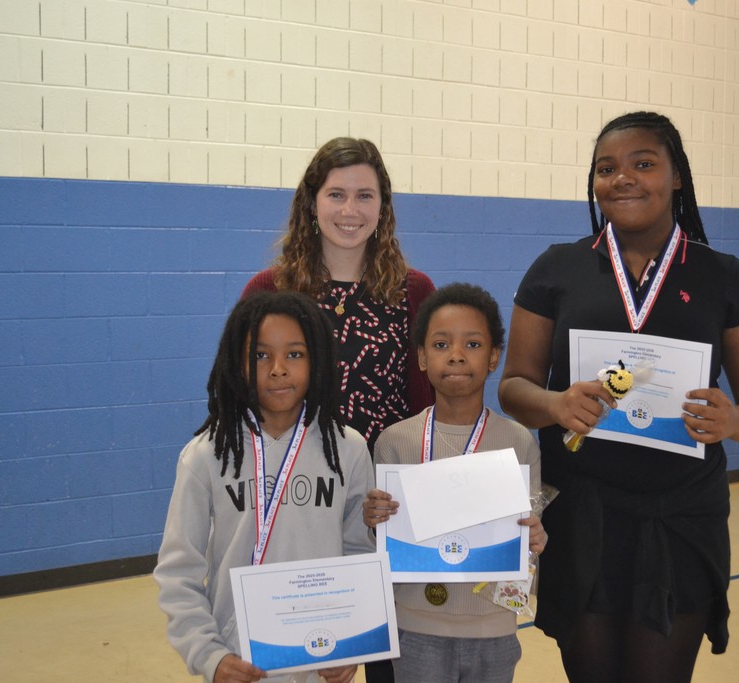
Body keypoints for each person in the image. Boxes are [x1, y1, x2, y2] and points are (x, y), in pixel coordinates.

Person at [498, 111, 739, 683]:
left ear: (676, 176)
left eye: (643, 164)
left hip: (680, 519)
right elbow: (513, 388)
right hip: (580, 516)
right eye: (607, 169)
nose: (623, 178)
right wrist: (554, 405)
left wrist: (734, 420)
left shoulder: (723, 276)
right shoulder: (556, 269)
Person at [154, 291, 374, 683]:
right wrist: (209, 655)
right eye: (260, 355)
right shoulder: (206, 455)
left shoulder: (348, 449)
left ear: (317, 360)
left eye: (295, 354)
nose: (277, 369)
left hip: (320, 659)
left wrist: (349, 642)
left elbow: (358, 554)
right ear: (237, 364)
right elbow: (178, 570)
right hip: (238, 660)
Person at [363, 282, 547, 683]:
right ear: (422, 358)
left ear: (494, 357)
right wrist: (372, 520)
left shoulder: (518, 442)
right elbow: (380, 546)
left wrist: (535, 540)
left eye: (474, 344)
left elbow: (528, 545)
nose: (458, 355)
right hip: (415, 629)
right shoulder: (395, 442)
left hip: (494, 629)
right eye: (442, 344)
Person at [243, 136, 435, 450]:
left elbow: (429, 403)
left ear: (382, 207)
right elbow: (241, 391)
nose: (350, 210)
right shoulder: (268, 291)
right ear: (312, 204)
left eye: (364, 196)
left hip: (385, 484)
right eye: (336, 195)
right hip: (295, 483)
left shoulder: (414, 292)